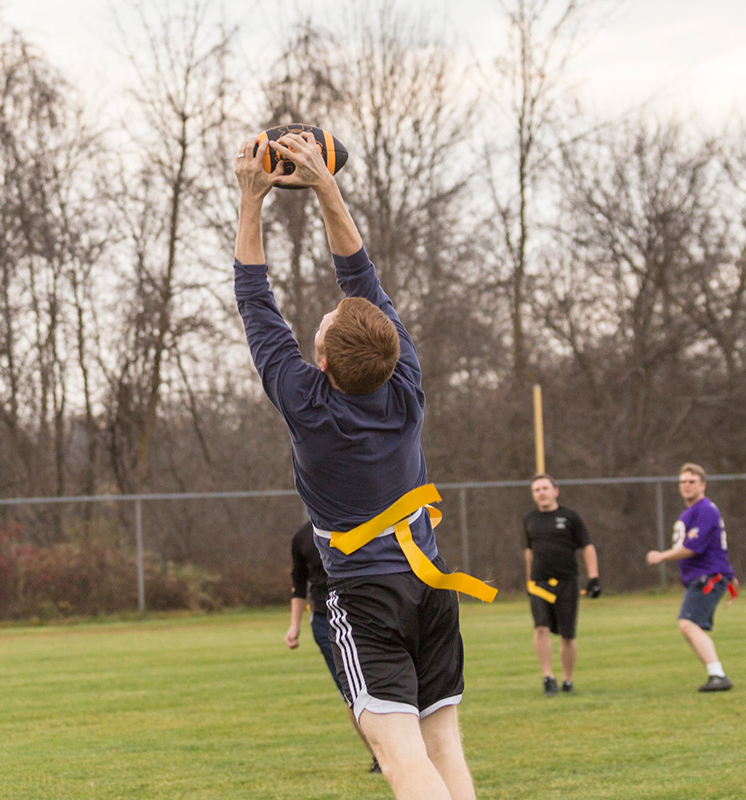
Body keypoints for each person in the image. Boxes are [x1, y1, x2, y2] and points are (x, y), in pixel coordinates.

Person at [233, 130, 493, 800]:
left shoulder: (307, 406)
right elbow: (360, 275)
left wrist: (250, 199)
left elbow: (256, 301)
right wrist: (325, 184)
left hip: (366, 598)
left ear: (319, 362)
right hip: (431, 588)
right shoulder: (405, 381)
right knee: (445, 751)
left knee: (403, 760)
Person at [285, 520, 380, 774]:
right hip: (325, 623)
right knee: (352, 694)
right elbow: (299, 581)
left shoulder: (359, 526)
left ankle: (400, 749)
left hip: (363, 616)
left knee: (381, 685)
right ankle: (379, 758)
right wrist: (294, 626)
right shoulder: (302, 537)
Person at [647, 463, 738, 692]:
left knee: (688, 624)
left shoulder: (705, 509)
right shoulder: (690, 512)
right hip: (703, 576)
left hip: (708, 577)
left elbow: (692, 548)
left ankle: (718, 675)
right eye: (683, 482)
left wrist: (660, 556)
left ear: (703, 485)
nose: (686, 486)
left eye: (692, 481)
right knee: (689, 625)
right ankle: (715, 674)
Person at [523, 473, 601, 695]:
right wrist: (528, 580)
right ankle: (548, 677)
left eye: (545, 488)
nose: (541, 493)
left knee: (567, 635)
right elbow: (529, 552)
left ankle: (567, 680)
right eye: (537, 490)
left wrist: (593, 577)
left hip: (567, 582)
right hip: (539, 583)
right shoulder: (530, 520)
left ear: (555, 491)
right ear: (533, 495)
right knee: (541, 628)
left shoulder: (570, 517)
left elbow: (587, 546)